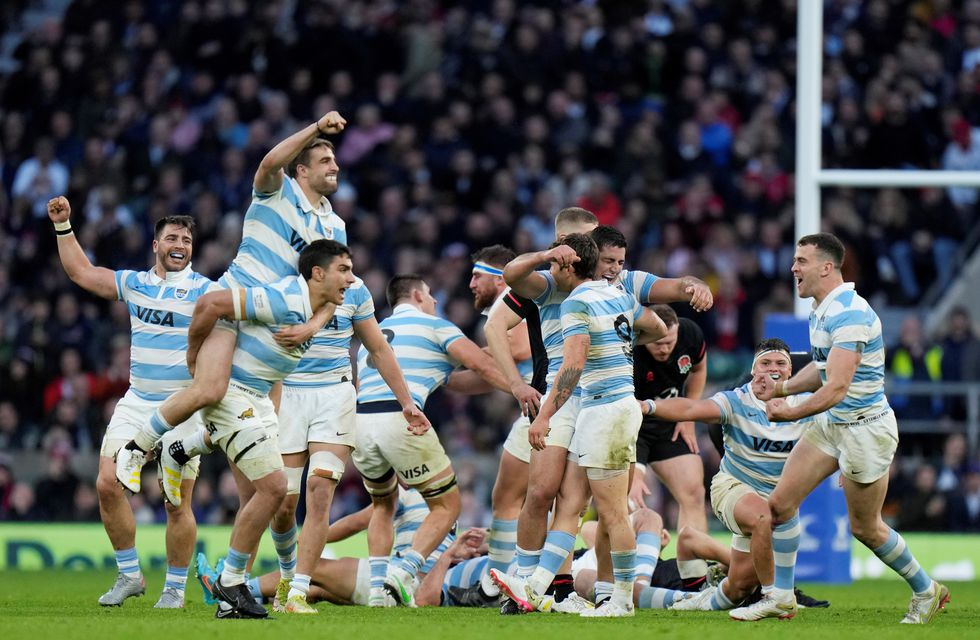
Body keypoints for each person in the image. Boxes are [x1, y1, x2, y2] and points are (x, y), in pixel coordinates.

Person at [115, 113, 431, 485]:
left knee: (262, 426)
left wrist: (309, 328)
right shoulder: (277, 191)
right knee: (211, 389)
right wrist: (316, 128)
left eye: (335, 160)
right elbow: (268, 162)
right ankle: (137, 449)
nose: (336, 166)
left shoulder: (334, 226)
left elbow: (333, 287)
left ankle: (183, 449)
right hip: (236, 303)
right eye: (325, 161)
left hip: (274, 321)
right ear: (301, 170)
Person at [756, 232, 949, 624]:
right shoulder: (822, 308)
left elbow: (837, 385)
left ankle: (927, 590)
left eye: (801, 261)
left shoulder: (850, 313)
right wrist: (783, 388)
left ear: (827, 267)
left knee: (866, 528)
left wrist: (790, 412)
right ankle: (782, 597)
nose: (793, 268)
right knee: (778, 505)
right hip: (834, 424)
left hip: (864, 431)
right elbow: (823, 368)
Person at [166, 239, 355, 619]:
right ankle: (234, 586)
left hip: (293, 397)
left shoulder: (342, 294)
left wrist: (312, 326)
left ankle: (271, 588)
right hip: (252, 391)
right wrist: (193, 355)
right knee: (270, 494)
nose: (351, 278)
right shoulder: (278, 292)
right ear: (315, 271)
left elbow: (372, 342)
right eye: (345, 269)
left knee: (285, 495)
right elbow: (214, 305)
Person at [492, 233, 669, 618]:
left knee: (612, 512)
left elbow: (571, 367)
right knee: (570, 501)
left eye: (555, 263)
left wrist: (543, 417)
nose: (551, 269)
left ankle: (619, 600)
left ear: (569, 265)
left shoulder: (576, 302)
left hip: (601, 406)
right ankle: (535, 586)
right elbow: (653, 326)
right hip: (605, 404)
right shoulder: (617, 294)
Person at [47, 195, 211, 609]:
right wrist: (64, 226)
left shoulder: (208, 292)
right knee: (106, 484)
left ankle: (174, 588)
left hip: (184, 410)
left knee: (177, 502)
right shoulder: (135, 284)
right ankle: (130, 574)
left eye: (187, 240)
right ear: (154, 245)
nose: (180, 244)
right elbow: (82, 273)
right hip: (138, 402)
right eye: (172, 237)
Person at [261, 270, 420, 614]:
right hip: (287, 396)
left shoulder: (357, 290)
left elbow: (377, 347)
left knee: (320, 491)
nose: (348, 273)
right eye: (342, 266)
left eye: (349, 265)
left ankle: (298, 591)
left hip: (334, 396)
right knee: (284, 503)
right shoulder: (283, 285)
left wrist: (406, 401)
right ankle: (288, 574)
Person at [353, 274, 510, 607]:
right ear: (416, 295)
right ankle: (404, 570)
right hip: (400, 418)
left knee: (383, 505)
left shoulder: (376, 331)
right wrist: (520, 387)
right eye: (431, 294)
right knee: (448, 506)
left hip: (361, 422)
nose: (436, 301)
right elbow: (481, 363)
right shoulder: (434, 326)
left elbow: (450, 378)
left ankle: (378, 591)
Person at [477, 208, 597, 612]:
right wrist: (515, 383)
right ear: (562, 239)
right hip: (550, 397)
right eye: (583, 240)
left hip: (597, 397)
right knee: (539, 491)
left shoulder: (605, 278)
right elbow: (493, 327)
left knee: (573, 500)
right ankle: (523, 581)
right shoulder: (543, 283)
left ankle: (555, 585)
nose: (589, 249)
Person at [644, 339, 814, 619]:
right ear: (753, 369)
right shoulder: (734, 401)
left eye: (780, 363)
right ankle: (774, 597)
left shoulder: (804, 407)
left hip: (779, 500)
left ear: (790, 371)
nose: (773, 369)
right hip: (734, 488)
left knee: (738, 586)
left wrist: (846, 465)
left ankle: (700, 600)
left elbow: (833, 436)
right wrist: (648, 406)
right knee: (762, 517)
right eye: (766, 363)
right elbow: (689, 410)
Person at [628, 303, 708, 533]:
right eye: (657, 343)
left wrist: (687, 417)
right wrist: (632, 470)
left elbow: (699, 370)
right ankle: (630, 564)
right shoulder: (627, 349)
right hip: (631, 430)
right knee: (628, 500)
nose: (664, 349)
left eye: (669, 343)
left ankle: (693, 566)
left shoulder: (690, 333)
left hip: (669, 423)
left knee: (694, 492)